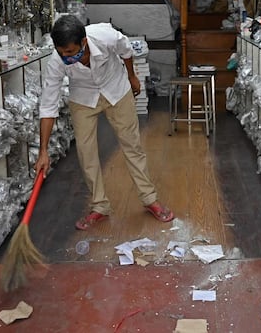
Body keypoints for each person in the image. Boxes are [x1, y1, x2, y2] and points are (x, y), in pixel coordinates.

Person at [35, 15, 174, 230]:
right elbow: (48, 105)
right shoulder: (57, 60)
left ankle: (150, 199)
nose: (65, 57)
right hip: (83, 98)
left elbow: (126, 51)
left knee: (132, 145)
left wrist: (132, 77)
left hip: (116, 88)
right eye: (61, 52)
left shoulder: (105, 36)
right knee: (86, 151)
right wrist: (43, 150)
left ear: (83, 42)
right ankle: (99, 206)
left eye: (70, 52)